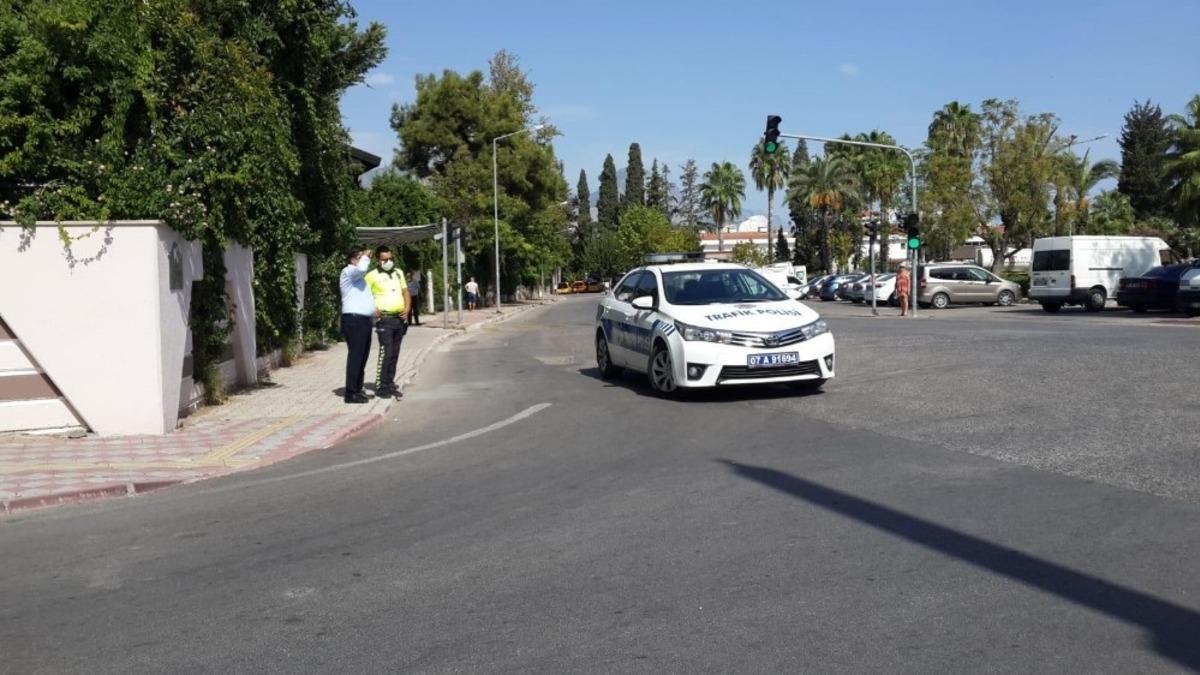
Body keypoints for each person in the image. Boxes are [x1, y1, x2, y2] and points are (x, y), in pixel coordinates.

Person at [365, 246, 411, 399]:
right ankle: (381, 385)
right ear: (378, 260)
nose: (388, 261)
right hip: (384, 320)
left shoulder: (398, 273)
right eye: (384, 259)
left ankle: (390, 383)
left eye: (390, 258)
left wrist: (408, 308)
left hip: (399, 319)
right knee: (386, 352)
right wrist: (372, 308)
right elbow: (362, 294)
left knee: (395, 354)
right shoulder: (371, 276)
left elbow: (405, 292)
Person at [339, 246, 375, 403]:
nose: (365, 260)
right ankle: (350, 393)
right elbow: (361, 269)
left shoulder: (359, 277)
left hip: (364, 321)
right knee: (356, 357)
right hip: (354, 321)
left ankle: (358, 388)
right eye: (360, 257)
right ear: (353, 259)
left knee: (362, 357)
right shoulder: (349, 272)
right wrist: (365, 256)